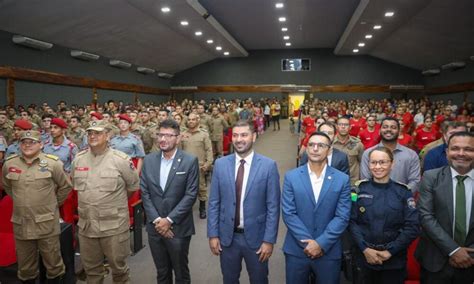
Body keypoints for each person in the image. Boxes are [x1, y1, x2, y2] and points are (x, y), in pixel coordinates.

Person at [208, 120, 280, 284]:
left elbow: (273, 207)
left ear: (254, 137)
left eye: (244, 135)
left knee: (259, 280)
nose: (239, 139)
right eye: (235, 135)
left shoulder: (268, 166)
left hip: (257, 238)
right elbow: (214, 203)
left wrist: (269, 240)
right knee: (229, 279)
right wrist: (213, 234)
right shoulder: (220, 164)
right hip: (228, 238)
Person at [71, 120, 140, 283]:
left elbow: (132, 187)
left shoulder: (121, 160)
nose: (92, 136)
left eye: (97, 133)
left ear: (108, 136)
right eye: (90, 133)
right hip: (87, 226)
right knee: (92, 271)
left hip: (113, 226)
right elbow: (74, 186)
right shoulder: (79, 160)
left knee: (119, 270)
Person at [2, 130, 72, 283]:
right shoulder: (10, 163)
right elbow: (7, 186)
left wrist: (52, 204)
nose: (27, 145)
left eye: (32, 142)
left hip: (46, 223)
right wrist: (22, 201)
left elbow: (65, 187)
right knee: (26, 268)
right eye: (24, 142)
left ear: (41, 144)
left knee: (53, 265)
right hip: (22, 223)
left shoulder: (53, 163)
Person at [282, 131, 351, 284]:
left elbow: (342, 216)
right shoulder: (291, 177)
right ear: (306, 149)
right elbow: (289, 213)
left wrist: (321, 243)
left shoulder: (342, 179)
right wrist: (309, 244)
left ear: (329, 150)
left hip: (328, 251)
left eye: (321, 145)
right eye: (311, 145)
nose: (315, 149)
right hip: (297, 251)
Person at [140, 119, 199, 283]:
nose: (163, 139)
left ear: (178, 138)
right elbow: (144, 192)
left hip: (178, 228)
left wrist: (169, 220)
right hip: (155, 227)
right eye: (160, 135)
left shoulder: (189, 161)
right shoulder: (149, 160)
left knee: (181, 273)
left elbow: (191, 194)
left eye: (168, 135)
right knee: (162, 272)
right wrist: (159, 221)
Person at [349, 146, 419, 284]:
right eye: (373, 162)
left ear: (392, 164)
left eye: (383, 162)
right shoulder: (357, 190)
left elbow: (412, 227)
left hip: (394, 261)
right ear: (368, 164)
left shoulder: (403, 192)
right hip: (363, 259)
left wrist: (390, 252)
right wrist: (365, 249)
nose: (377, 167)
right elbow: (351, 222)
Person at [415, 132, 474, 283]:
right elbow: (426, 216)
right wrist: (454, 250)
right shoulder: (431, 177)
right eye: (455, 148)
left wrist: (468, 254)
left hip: (471, 260)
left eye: (468, 149)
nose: (461, 153)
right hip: (435, 261)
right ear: (447, 152)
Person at [360, 117, 421, 193]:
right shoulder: (368, 153)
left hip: (402, 200)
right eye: (385, 127)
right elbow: (365, 180)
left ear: (399, 131)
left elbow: (415, 181)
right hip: (375, 200)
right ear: (379, 131)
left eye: (393, 127)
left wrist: (401, 196)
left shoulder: (411, 155)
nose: (389, 129)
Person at [181, 113, 213, 219]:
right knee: (185, 188)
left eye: (193, 119)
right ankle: (186, 208)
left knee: (201, 187)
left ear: (197, 121)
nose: (190, 121)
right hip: (185, 166)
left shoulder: (203, 134)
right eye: (189, 119)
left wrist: (208, 163)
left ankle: (202, 208)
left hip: (199, 165)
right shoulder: (183, 134)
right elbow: (179, 151)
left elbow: (209, 149)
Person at [333, 116, 365, 186]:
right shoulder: (330, 143)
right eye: (340, 124)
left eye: (346, 125)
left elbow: (362, 163)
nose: (343, 127)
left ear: (350, 127)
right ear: (336, 126)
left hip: (352, 183)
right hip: (333, 182)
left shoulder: (358, 144)